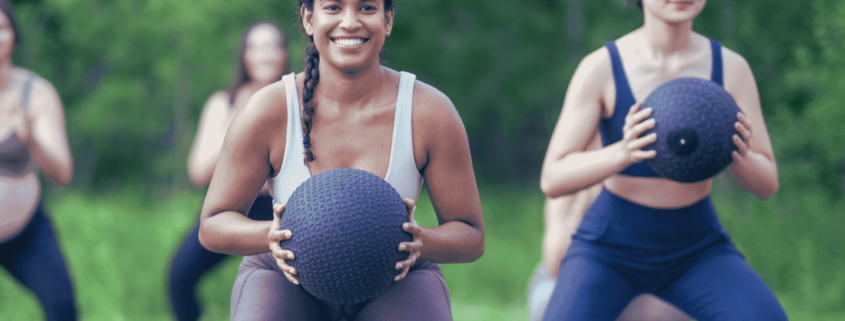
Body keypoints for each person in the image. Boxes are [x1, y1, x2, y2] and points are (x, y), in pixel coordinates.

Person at [197, 1, 485, 320]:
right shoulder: (269, 109)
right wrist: (270, 234)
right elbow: (213, 225)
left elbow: (470, 235)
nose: (349, 22)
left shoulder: (429, 111)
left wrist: (421, 240)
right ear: (309, 18)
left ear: (387, 20)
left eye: (366, 8)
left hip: (397, 279)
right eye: (333, 7)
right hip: (285, 277)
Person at [539, 0, 787, 320]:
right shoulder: (601, 67)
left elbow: (767, 183)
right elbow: (553, 177)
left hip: (696, 247)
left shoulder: (730, 67)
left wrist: (740, 159)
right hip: (609, 247)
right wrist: (623, 152)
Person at [167, 22, 290, 321]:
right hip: (230, 205)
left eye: (273, 46)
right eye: (256, 47)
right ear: (244, 56)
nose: (265, 55)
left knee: (289, 291)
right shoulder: (223, 104)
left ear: (285, 54)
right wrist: (242, 123)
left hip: (281, 210)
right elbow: (198, 172)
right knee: (178, 279)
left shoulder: (300, 101)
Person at [529, 133, 692, 321]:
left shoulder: (656, 173)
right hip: (570, 277)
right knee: (553, 297)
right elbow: (557, 261)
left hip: (641, 283)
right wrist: (599, 182)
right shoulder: (568, 175)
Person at [0, 1, 77, 320]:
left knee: (62, 308)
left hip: (26, 229)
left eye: (2, 27)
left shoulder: (36, 92)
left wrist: (31, 139)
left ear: (14, 35)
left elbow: (62, 173)